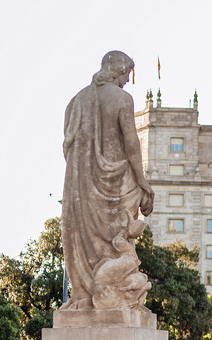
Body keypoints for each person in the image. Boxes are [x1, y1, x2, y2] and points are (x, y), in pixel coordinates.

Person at [61, 51, 155, 311]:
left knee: (85, 236)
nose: (126, 81)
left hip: (81, 185)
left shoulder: (76, 101)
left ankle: (84, 295)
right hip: (116, 183)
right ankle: (110, 298)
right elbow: (131, 144)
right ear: (118, 71)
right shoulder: (122, 99)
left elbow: (68, 147)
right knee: (118, 237)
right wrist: (142, 181)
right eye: (126, 74)